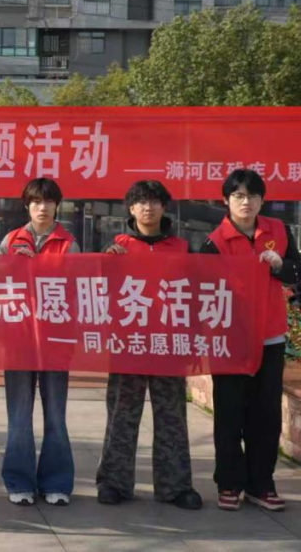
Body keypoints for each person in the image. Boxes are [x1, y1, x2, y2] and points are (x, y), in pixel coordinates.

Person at [201, 169, 301, 512]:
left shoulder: (279, 231)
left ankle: (262, 484)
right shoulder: (214, 242)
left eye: (252, 196)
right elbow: (203, 290)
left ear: (262, 200)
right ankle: (229, 483)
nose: (246, 202)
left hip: (270, 338)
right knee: (230, 413)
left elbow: (297, 272)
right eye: (238, 196)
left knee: (266, 415)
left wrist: (279, 265)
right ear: (226, 200)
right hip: (230, 341)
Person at [96, 181, 202, 510]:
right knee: (121, 415)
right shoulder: (117, 247)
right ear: (131, 208)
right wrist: (105, 264)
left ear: (164, 207)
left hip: (168, 346)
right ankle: (113, 483)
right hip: (128, 345)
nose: (148, 207)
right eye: (141, 202)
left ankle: (176, 487)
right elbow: (97, 293)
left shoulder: (182, 248)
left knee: (172, 417)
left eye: (154, 201)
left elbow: (197, 295)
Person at [0, 177, 78, 507]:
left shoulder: (68, 244)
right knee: (19, 414)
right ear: (26, 206)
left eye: (47, 202)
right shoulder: (10, 240)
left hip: (56, 340)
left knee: (56, 414)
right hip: (18, 341)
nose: (41, 208)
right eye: (35, 202)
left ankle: (56, 482)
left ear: (57, 205)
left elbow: (75, 290)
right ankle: (19, 480)